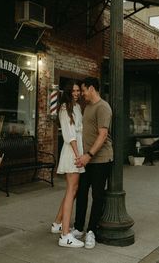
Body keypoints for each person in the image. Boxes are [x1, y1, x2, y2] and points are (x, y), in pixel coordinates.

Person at [73, 77, 113, 249]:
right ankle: (78, 228)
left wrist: (88, 155)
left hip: (101, 159)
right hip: (87, 159)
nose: (82, 94)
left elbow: (102, 135)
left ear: (91, 88)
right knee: (81, 193)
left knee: (97, 196)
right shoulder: (88, 107)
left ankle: (91, 232)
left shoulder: (103, 107)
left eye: (83, 90)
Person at [51, 80, 85, 248]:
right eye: (73, 90)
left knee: (72, 189)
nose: (76, 93)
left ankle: (58, 223)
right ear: (67, 91)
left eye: (78, 90)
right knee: (72, 189)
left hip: (77, 150)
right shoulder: (65, 109)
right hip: (72, 152)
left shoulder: (77, 107)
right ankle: (65, 235)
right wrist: (79, 155)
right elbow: (70, 135)